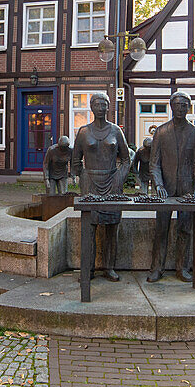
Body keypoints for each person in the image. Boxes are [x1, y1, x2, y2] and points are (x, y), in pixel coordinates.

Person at [148, 90, 195, 282]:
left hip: (187, 190)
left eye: (184, 105)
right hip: (165, 189)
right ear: (171, 106)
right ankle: (157, 268)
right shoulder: (161, 132)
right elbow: (154, 163)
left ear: (189, 108)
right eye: (177, 105)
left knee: (186, 229)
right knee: (161, 229)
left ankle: (183, 268)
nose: (180, 108)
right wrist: (158, 185)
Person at [72, 92, 130, 281]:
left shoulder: (115, 131)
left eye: (104, 104)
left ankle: (109, 267)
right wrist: (83, 178)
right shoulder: (83, 132)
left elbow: (127, 159)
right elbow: (75, 161)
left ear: (108, 107)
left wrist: (119, 178)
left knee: (112, 227)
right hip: (90, 184)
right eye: (96, 104)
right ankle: (88, 268)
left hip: (112, 183)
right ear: (91, 107)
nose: (100, 108)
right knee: (89, 227)